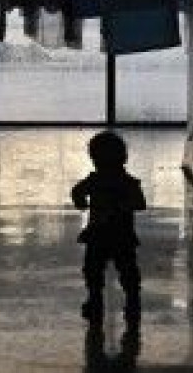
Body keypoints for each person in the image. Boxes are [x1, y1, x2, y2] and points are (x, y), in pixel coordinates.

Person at [72, 131, 146, 331]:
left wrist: (81, 202)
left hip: (98, 235)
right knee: (127, 271)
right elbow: (140, 203)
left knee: (94, 270)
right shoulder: (128, 182)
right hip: (122, 235)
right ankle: (131, 301)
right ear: (124, 157)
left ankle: (95, 300)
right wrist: (123, 206)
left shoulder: (95, 180)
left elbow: (77, 191)